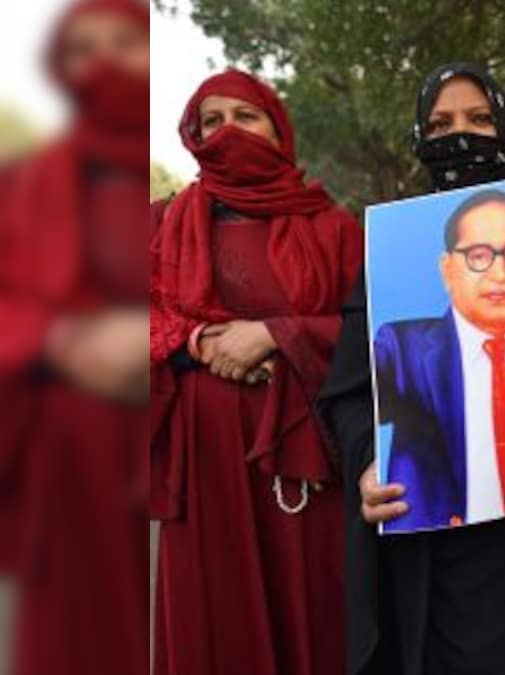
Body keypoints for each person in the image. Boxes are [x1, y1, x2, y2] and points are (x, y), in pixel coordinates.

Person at [319, 62, 505, 675]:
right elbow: (347, 399)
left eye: (480, 120)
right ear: (448, 268)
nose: (462, 136)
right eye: (441, 123)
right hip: (442, 572)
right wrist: (367, 466)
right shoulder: (393, 308)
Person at [149, 69, 362, 675]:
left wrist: (276, 333)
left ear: (278, 129)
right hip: (207, 463)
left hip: (306, 459)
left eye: (245, 118)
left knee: (314, 610)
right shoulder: (164, 224)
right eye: (210, 122)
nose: (227, 133)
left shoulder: (333, 226)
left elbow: (372, 332)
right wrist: (196, 339)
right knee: (218, 621)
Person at [0, 2, 149, 673]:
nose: (104, 65)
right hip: (68, 468)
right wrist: (62, 337)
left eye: (125, 42)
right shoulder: (26, 184)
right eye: (83, 50)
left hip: (170, 454)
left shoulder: (184, 198)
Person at [372, 189, 505, 529]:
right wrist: (363, 464)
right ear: (447, 270)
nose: (501, 273)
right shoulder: (400, 350)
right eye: (479, 255)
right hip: (448, 554)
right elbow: (356, 410)